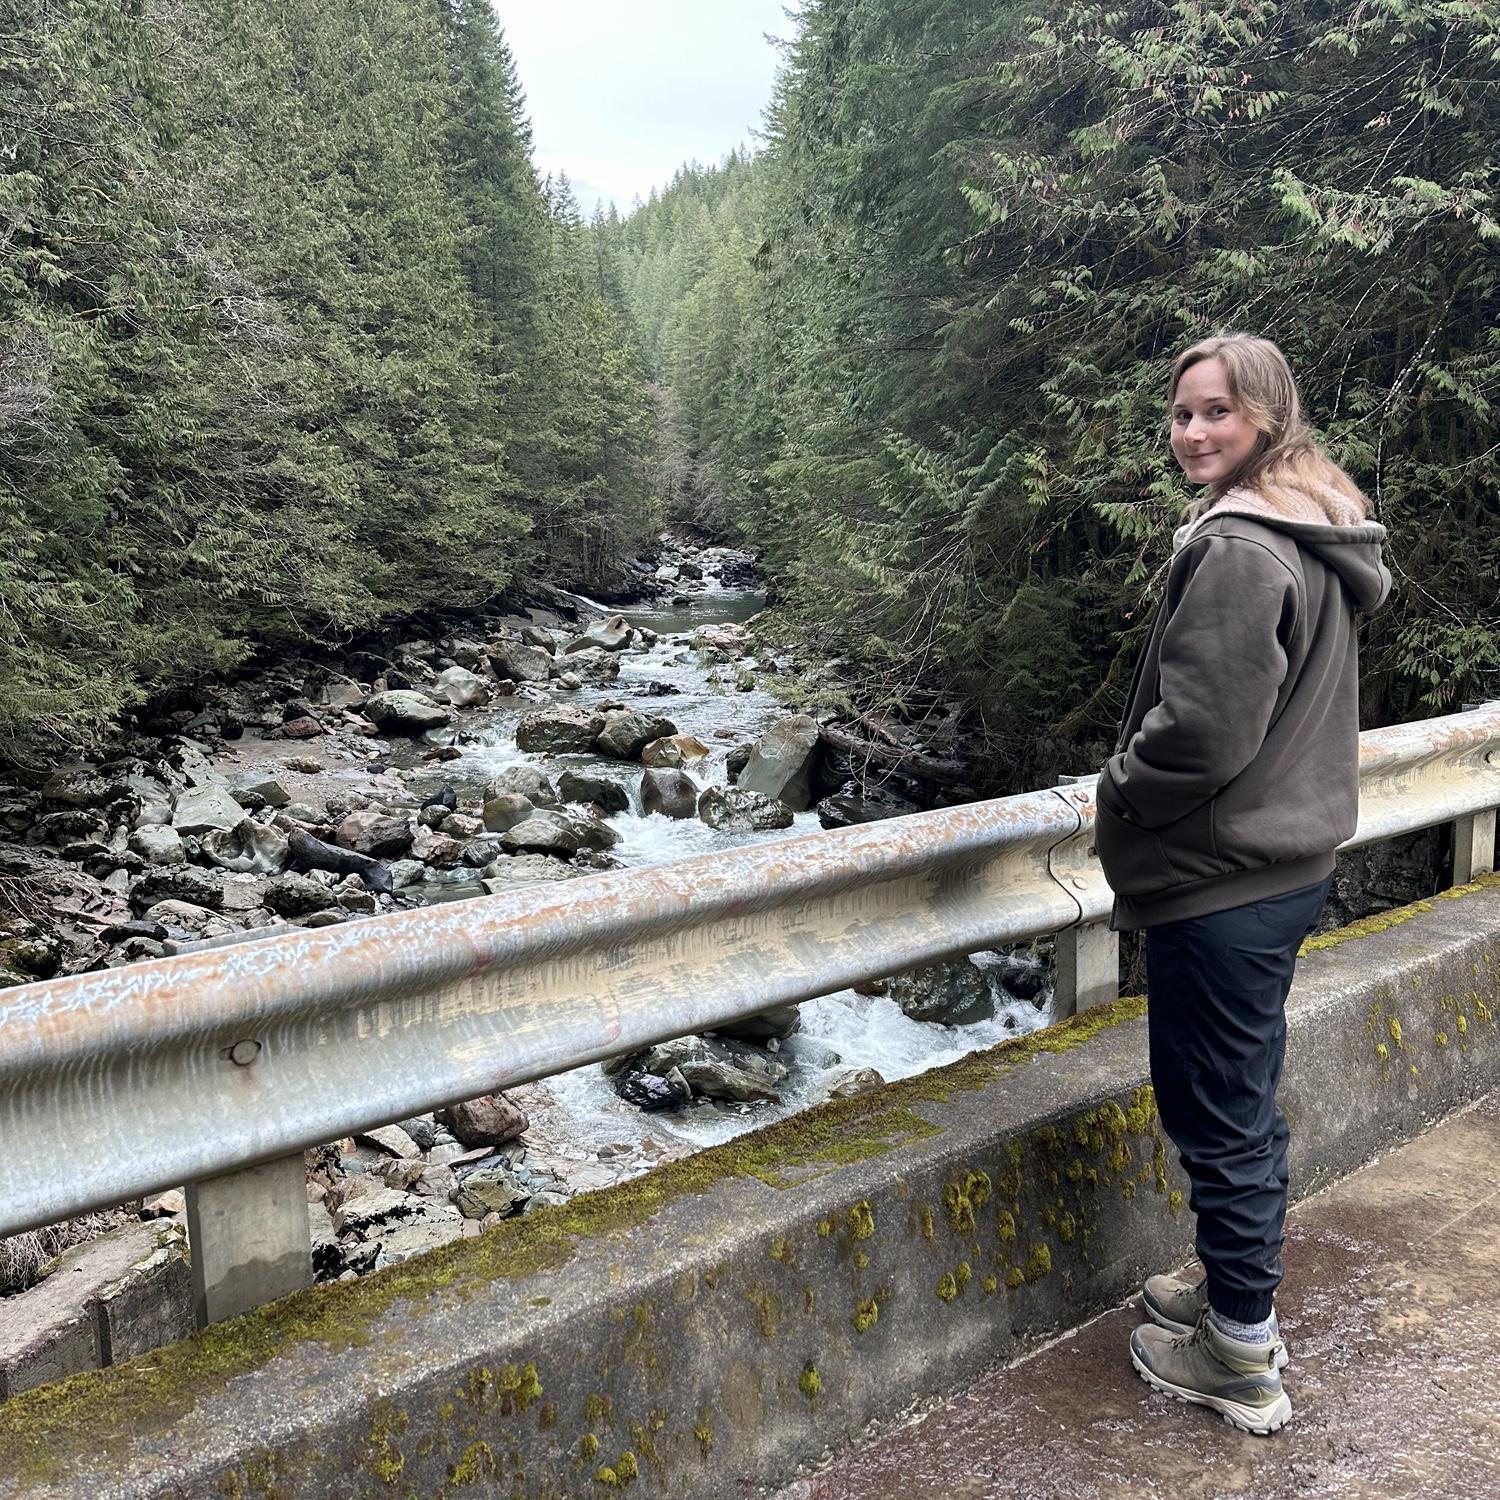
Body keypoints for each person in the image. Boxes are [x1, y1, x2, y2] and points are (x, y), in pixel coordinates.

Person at [1092, 333, 1391, 1434]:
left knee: (1217, 1112)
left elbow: (1203, 734)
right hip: (1283, 865)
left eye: (1216, 411)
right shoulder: (1314, 525)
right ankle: (1234, 1290)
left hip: (1221, 881)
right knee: (1243, 1098)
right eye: (1181, 414)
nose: (1191, 433)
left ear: (1269, 416)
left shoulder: (1239, 546)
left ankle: (1238, 1352)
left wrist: (1120, 791)